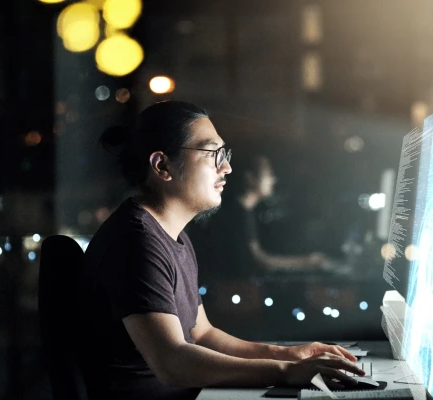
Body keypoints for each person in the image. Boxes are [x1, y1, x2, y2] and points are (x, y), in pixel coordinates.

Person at [79, 101, 364, 400]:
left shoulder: (173, 236)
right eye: (212, 153)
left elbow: (203, 335)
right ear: (162, 166)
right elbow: (172, 364)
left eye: (224, 154)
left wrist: (289, 355)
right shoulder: (135, 243)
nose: (226, 167)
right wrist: (285, 372)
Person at [203, 151, 331, 280]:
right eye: (268, 174)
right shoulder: (238, 214)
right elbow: (260, 261)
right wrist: (308, 262)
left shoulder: (241, 211)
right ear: (250, 178)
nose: (273, 180)